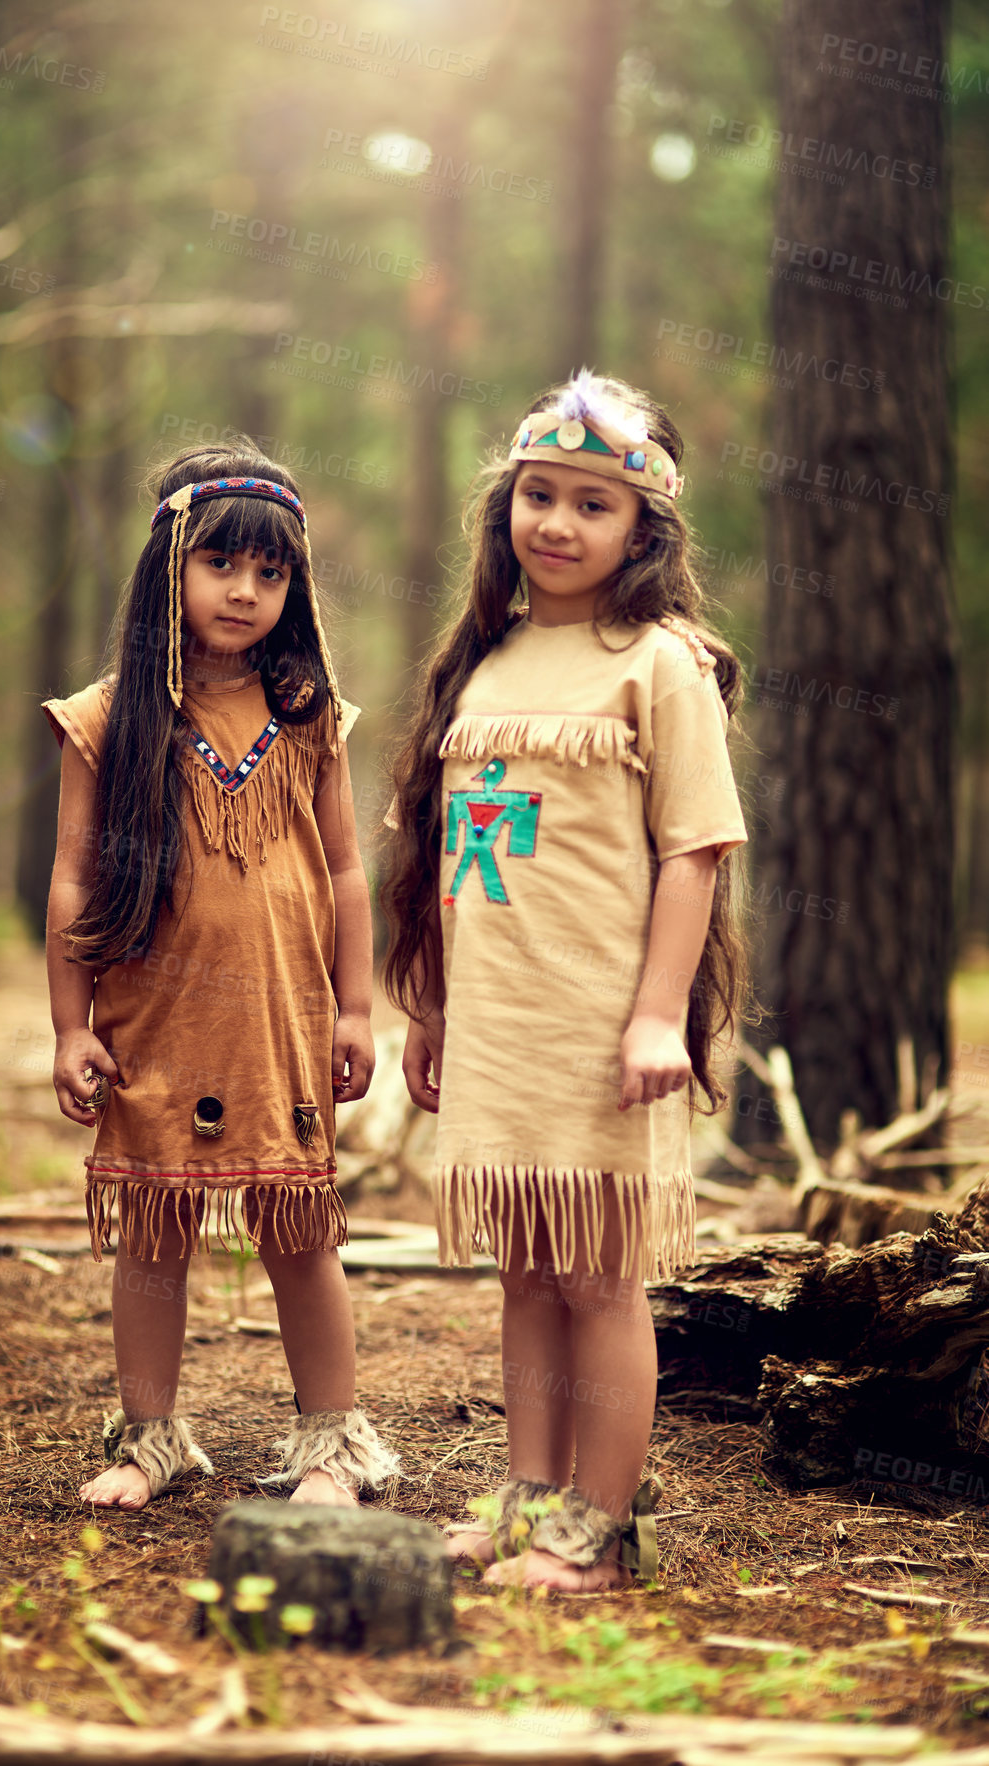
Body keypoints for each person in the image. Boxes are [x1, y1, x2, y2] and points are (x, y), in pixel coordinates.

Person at [382, 371, 751, 1591]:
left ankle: (600, 1522)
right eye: (538, 494)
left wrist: (659, 1015)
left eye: (593, 503)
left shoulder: (657, 663)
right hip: (499, 1025)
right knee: (527, 1270)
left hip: (602, 1028)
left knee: (598, 1272)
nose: (557, 522)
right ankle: (530, 1497)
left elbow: (695, 849)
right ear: (506, 512)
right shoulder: (480, 665)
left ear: (642, 530)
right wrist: (432, 1008)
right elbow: (451, 859)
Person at [44, 443, 398, 1511]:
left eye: (271, 573)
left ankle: (332, 1444)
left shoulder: (308, 717)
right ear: (170, 569)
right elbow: (68, 877)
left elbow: (343, 869)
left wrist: (357, 1004)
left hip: (284, 1018)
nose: (246, 591)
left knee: (299, 1229)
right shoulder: (108, 717)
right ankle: (149, 1438)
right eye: (220, 565)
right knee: (153, 1234)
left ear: (294, 590)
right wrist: (70, 1027)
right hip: (153, 1014)